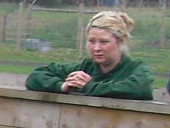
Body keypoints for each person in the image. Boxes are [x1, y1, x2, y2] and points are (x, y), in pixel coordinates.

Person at [24, 11, 153, 100]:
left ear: (120, 41)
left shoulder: (136, 69)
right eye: (91, 41)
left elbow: (140, 88)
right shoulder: (84, 68)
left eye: (104, 42)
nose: (96, 48)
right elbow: (36, 76)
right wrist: (61, 86)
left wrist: (89, 87)